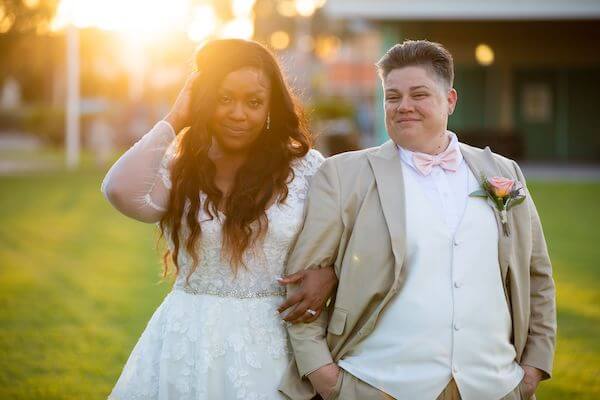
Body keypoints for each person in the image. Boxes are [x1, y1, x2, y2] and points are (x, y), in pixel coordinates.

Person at [279, 40, 556, 400]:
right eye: (392, 97)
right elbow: (302, 286)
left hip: (495, 385)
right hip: (378, 385)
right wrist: (326, 379)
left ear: (451, 100)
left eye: (419, 94)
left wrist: (533, 370)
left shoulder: (503, 172)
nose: (404, 106)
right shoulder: (343, 176)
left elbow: (538, 277)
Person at [101, 39, 337, 400]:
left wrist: (330, 273)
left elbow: (348, 244)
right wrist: (175, 118)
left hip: (273, 346)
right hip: (187, 340)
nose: (238, 113)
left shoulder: (306, 169)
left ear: (271, 107)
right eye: (224, 98)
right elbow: (119, 191)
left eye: (254, 102)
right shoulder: (180, 167)